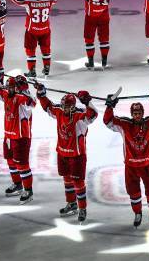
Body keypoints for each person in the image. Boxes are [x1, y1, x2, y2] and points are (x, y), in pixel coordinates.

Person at [103, 91, 149, 231]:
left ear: (142, 113)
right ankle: (138, 213)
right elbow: (108, 121)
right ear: (131, 114)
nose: (137, 116)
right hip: (131, 166)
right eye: (135, 113)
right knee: (133, 193)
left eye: (139, 113)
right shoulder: (124, 124)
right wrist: (110, 106)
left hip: (147, 165)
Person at [35, 83, 98, 223]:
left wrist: (87, 102)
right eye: (63, 105)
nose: (64, 108)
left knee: (78, 183)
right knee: (67, 180)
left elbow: (93, 115)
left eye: (67, 106)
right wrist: (41, 94)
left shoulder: (80, 117)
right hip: (62, 153)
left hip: (77, 156)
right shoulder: (59, 112)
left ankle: (82, 209)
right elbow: (48, 107)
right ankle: (72, 204)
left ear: (73, 106)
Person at [0, 73, 36, 204]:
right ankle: (17, 184)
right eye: (8, 87)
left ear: (18, 88)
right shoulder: (7, 95)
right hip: (8, 136)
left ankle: (28, 190)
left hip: (21, 138)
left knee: (22, 165)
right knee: (10, 161)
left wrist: (25, 88)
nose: (9, 89)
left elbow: (32, 103)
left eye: (12, 87)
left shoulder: (22, 99)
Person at [73, 0, 122, 70]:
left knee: (89, 39)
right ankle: (104, 62)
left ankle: (91, 62)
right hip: (104, 15)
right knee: (104, 39)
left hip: (91, 16)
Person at [10, 0, 59, 77]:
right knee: (46, 49)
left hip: (32, 30)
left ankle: (32, 71)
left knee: (30, 49)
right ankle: (47, 68)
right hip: (45, 29)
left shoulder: (28, 0)